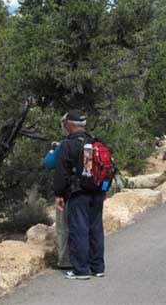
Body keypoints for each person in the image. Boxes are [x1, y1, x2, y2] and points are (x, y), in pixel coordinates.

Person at [53, 110, 105, 280]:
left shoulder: (68, 145)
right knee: (96, 229)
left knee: (79, 230)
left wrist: (59, 194)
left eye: (65, 124)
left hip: (79, 193)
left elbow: (61, 172)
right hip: (97, 192)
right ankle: (97, 267)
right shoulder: (94, 141)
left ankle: (81, 270)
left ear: (70, 125)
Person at [44, 117, 71, 269]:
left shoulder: (63, 146)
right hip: (82, 193)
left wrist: (52, 151)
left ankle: (65, 260)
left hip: (63, 194)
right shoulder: (86, 141)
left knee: (62, 226)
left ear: (67, 126)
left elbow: (49, 163)